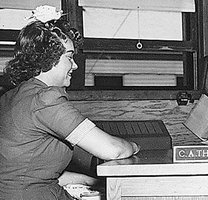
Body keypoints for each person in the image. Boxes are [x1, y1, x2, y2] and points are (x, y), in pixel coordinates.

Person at [0, 5, 140, 200]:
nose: (74, 65)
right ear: (49, 58)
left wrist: (90, 181)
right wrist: (134, 147)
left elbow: (34, 173)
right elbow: (113, 150)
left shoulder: (13, 96)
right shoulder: (45, 100)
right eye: (70, 57)